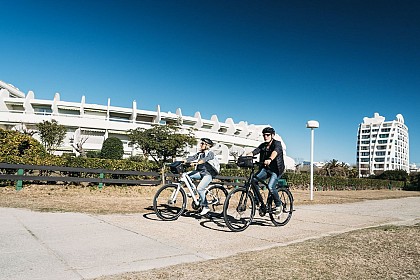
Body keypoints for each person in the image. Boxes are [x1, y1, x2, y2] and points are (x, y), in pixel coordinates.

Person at [249, 127, 285, 215]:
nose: (265, 137)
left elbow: (275, 152)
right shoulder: (263, 145)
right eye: (264, 135)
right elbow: (254, 152)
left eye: (267, 135)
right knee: (253, 180)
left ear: (272, 135)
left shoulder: (277, 144)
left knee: (270, 186)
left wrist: (270, 159)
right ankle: (258, 202)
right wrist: (245, 156)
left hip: (276, 169)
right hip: (266, 169)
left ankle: (278, 204)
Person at [185, 138, 218, 215]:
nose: (200, 145)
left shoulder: (210, 153)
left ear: (207, 145)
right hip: (200, 172)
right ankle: (193, 191)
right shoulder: (200, 153)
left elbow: (205, 159)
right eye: (201, 143)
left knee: (200, 189)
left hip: (209, 174)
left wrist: (197, 163)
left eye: (202, 143)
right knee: (186, 175)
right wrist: (184, 160)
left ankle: (205, 206)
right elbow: (192, 158)